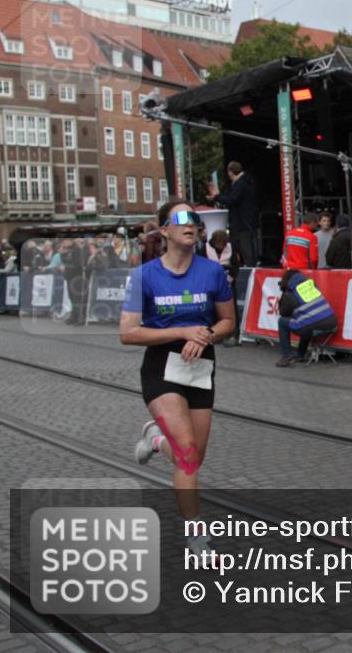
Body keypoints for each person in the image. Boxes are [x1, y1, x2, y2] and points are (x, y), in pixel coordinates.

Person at [120, 198, 235, 561]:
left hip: (200, 367)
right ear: (164, 230)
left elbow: (228, 323)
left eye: (195, 220)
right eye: (181, 220)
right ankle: (197, 538)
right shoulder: (146, 276)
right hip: (161, 368)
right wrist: (182, 331)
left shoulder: (213, 272)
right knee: (185, 450)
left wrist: (206, 334)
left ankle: (156, 440)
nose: (190, 225)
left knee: (193, 458)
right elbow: (128, 332)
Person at [275, 269, 337, 367]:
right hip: (331, 322)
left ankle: (287, 355)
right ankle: (300, 354)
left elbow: (283, 312)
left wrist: (284, 293)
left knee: (282, 322)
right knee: (305, 319)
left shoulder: (291, 292)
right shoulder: (311, 285)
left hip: (313, 325)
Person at [207, 161, 258, 267]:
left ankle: (249, 271)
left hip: (243, 224)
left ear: (230, 172)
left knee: (246, 250)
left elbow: (232, 199)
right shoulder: (244, 182)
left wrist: (216, 197)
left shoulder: (241, 184)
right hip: (242, 223)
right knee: (237, 249)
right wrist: (219, 196)